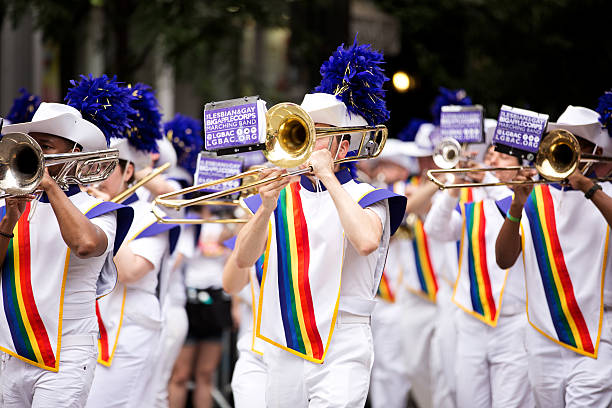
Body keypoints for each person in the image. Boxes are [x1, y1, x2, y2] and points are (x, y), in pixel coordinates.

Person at [222, 38, 406, 407]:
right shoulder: (279, 196)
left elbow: (366, 240)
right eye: (306, 132)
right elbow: (241, 262)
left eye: (319, 135)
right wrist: (265, 206)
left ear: (342, 146)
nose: (309, 144)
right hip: (285, 337)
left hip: (342, 341)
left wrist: (330, 179)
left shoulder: (369, 197)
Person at [0, 95, 134, 407]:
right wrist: (8, 222)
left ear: (74, 152)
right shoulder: (9, 204)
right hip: (11, 349)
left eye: (44, 147)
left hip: (65, 353)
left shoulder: (99, 208)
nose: (33, 153)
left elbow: (86, 245)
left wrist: (48, 185)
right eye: (30, 144)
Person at [495, 104, 612, 407]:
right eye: (562, 141)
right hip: (543, 334)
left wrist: (587, 186)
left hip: (598, 335)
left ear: (597, 152)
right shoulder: (535, 195)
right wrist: (516, 206)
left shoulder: (606, 193)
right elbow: (504, 260)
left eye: (578, 144)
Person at [85, 82, 180, 408]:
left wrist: (103, 216)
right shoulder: (84, 207)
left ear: (129, 171)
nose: (97, 175)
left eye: (108, 166)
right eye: (94, 164)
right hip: (91, 331)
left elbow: (130, 272)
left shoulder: (150, 213)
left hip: (130, 332)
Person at [424, 143, 533, 407]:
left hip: (515, 323)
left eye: (503, 158)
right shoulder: (476, 199)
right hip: (472, 319)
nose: (492, 161)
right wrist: (454, 185)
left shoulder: (532, 200)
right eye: (490, 156)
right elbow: (435, 229)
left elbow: (513, 210)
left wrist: (487, 180)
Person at [367, 139, 414, 408]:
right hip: (376, 296)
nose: (380, 170)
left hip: (398, 296)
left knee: (393, 367)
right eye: (378, 165)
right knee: (375, 365)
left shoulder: (404, 192)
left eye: (388, 165)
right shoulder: (371, 193)